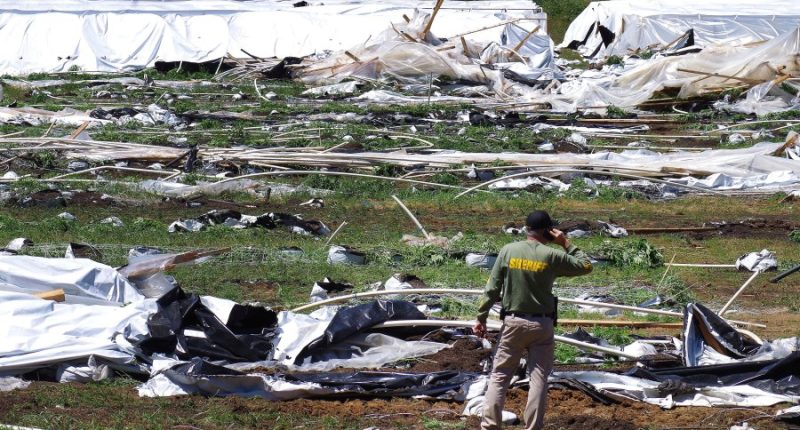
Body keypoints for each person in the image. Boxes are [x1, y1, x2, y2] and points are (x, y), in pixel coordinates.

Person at [473, 210, 593, 430]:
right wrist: (565, 243)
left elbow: (492, 289)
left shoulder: (508, 251)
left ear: (526, 228)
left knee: (499, 376)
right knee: (538, 378)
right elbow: (586, 265)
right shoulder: (551, 255)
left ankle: (490, 425)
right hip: (542, 325)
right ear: (548, 230)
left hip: (513, 323)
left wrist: (481, 318)